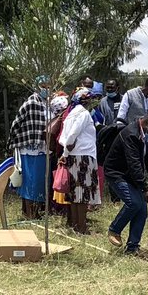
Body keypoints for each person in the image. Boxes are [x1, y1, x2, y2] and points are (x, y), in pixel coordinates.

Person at [103, 111, 148, 256]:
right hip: (116, 174)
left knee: (142, 210)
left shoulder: (139, 132)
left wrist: (144, 186)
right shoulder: (131, 134)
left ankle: (132, 248)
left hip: (128, 176)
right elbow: (134, 164)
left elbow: (139, 164)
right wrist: (145, 188)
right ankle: (114, 229)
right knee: (134, 203)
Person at [117, 77, 148, 217]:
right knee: (136, 172)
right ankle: (137, 204)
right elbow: (121, 118)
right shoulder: (130, 95)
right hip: (134, 141)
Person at [57, 86, 101, 235]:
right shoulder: (83, 114)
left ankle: (76, 225)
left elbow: (64, 138)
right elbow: (71, 136)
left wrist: (66, 153)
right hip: (83, 156)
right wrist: (67, 150)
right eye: (89, 98)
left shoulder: (70, 114)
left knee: (75, 193)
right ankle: (81, 227)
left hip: (73, 156)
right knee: (82, 194)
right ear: (85, 100)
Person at [9, 75, 51, 218]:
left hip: (42, 149)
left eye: (48, 86)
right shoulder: (32, 102)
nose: (46, 89)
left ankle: (34, 212)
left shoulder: (46, 103)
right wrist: (14, 141)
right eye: (43, 86)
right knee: (30, 181)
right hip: (30, 148)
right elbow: (16, 123)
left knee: (38, 181)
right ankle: (29, 213)